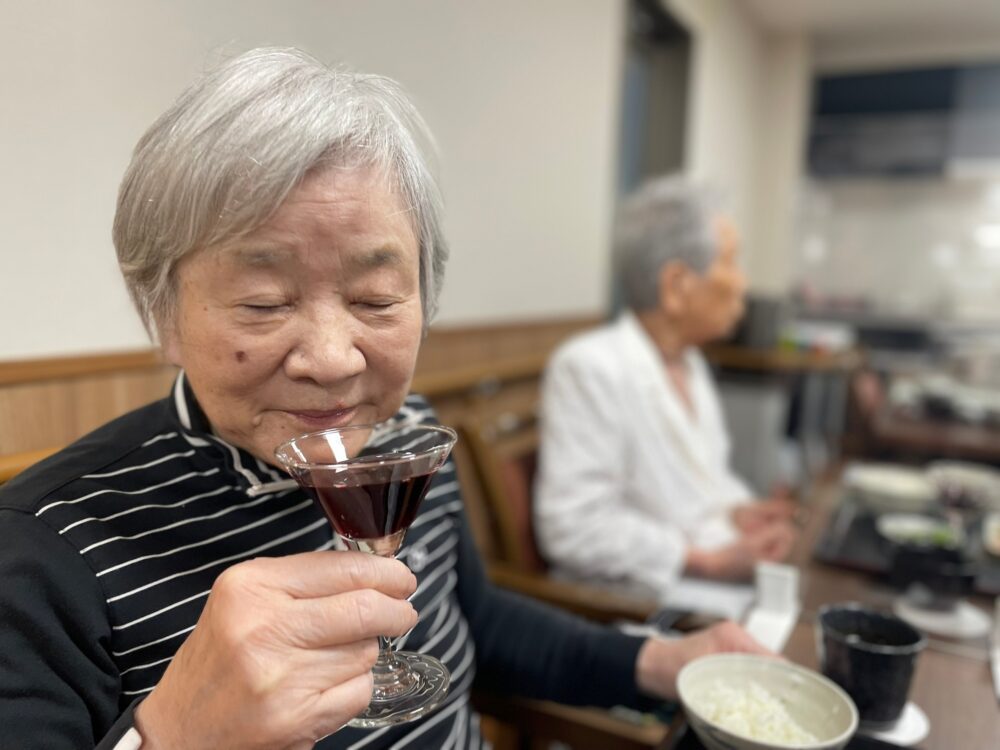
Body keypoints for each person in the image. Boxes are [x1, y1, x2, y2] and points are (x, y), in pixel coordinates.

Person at [0, 50, 769, 750]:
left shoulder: (407, 438)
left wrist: (664, 660)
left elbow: (477, 621)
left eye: (375, 298)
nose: (334, 361)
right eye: (265, 301)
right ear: (162, 315)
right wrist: (174, 736)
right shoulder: (42, 553)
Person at [535, 176, 798, 601]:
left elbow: (702, 484)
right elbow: (574, 529)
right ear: (676, 285)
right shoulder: (589, 367)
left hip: (705, 585)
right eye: (731, 262)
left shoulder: (689, 362)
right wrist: (706, 561)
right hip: (647, 606)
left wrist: (738, 512)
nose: (742, 284)